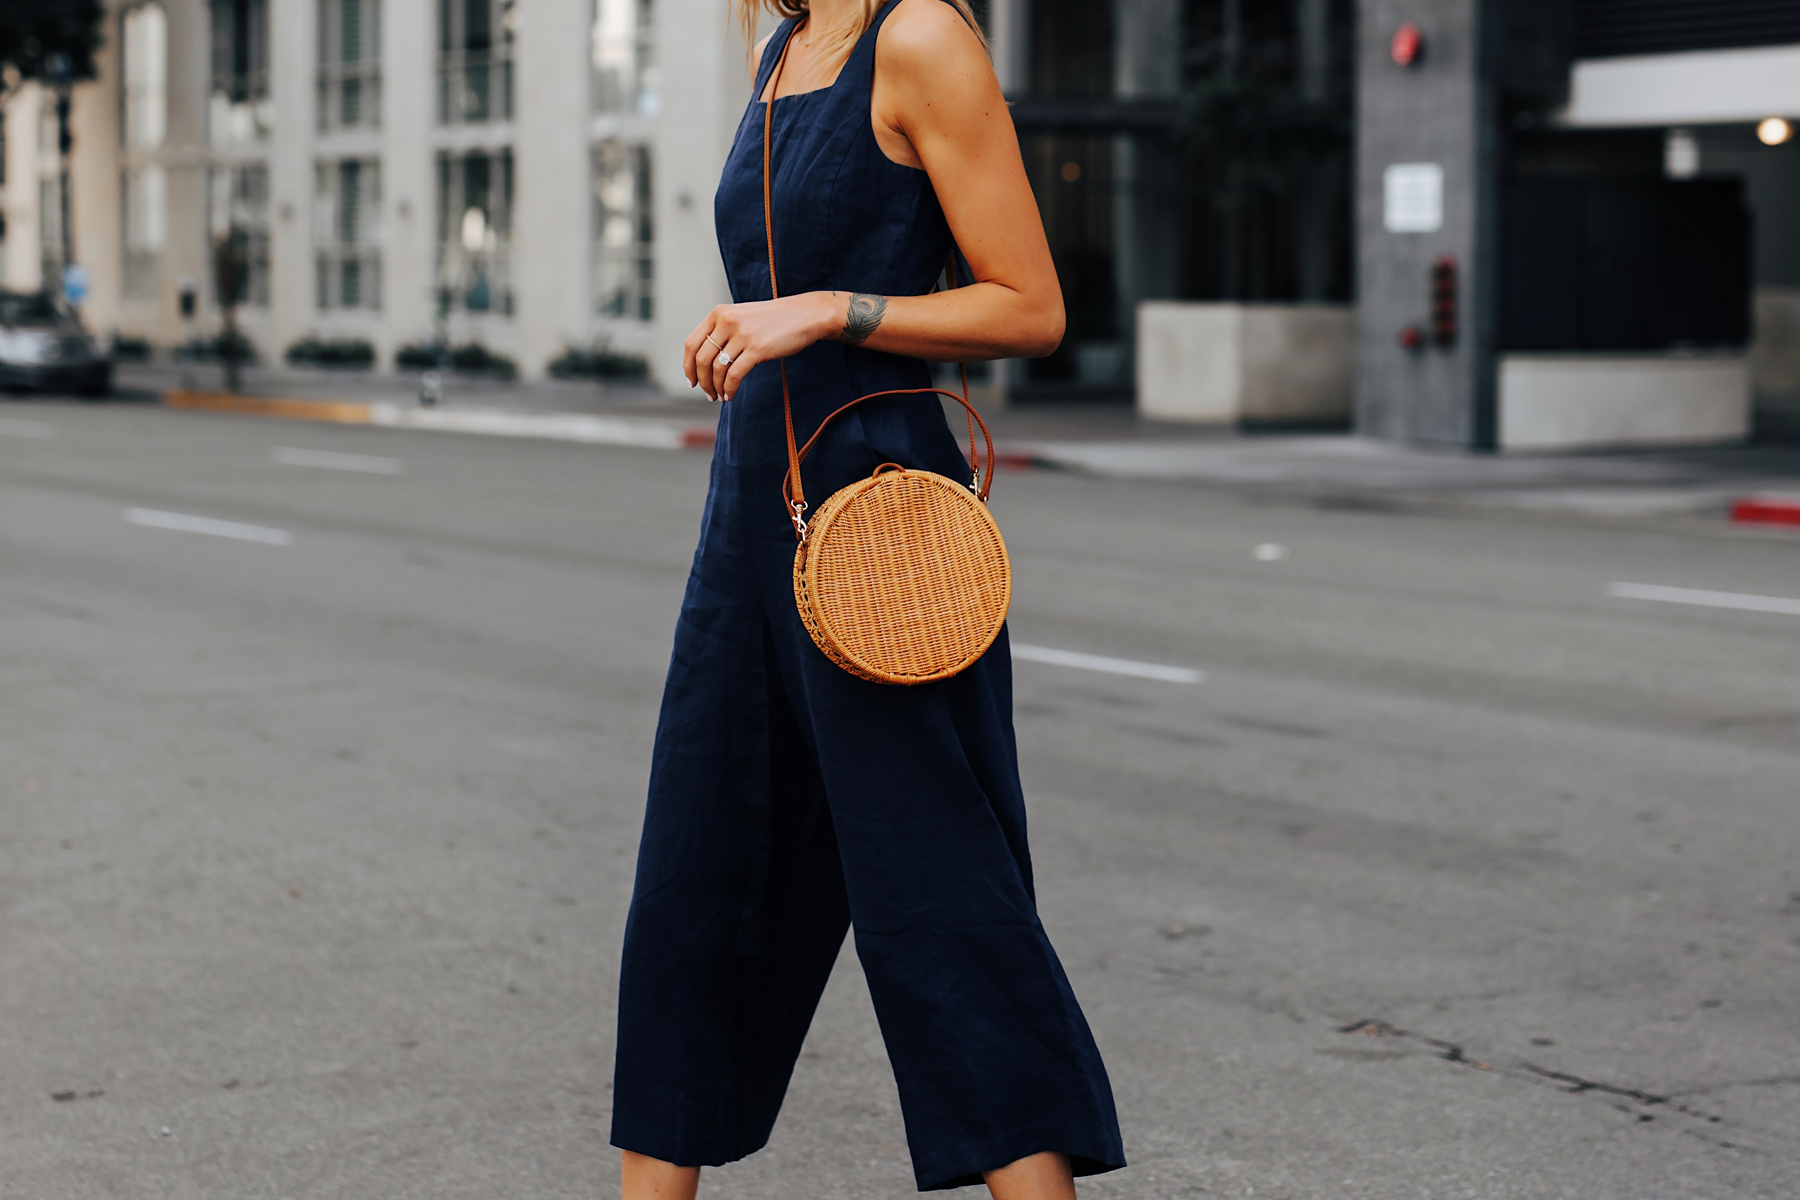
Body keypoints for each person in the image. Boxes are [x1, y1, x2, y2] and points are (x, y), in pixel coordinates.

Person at [610, 0, 1125, 1195]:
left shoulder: (922, 39)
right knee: (691, 891)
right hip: (751, 520)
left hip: (881, 518)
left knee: (939, 901)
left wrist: (835, 309)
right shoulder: (779, 45)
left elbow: (1030, 306)